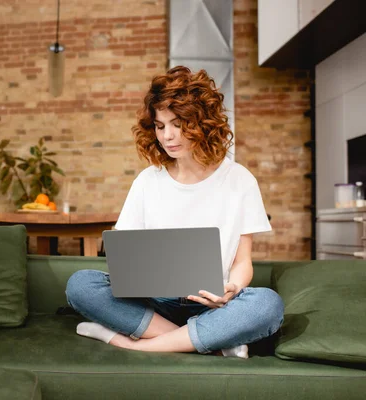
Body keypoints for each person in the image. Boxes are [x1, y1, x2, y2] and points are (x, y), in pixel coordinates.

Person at [65, 66, 284, 358]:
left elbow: (243, 261)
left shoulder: (239, 180)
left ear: (202, 122)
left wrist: (232, 287)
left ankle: (134, 343)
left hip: (213, 304)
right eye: (160, 126)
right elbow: (124, 259)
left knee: (267, 304)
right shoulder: (147, 181)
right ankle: (207, 341)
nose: (168, 136)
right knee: (80, 284)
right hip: (153, 303)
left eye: (178, 123)